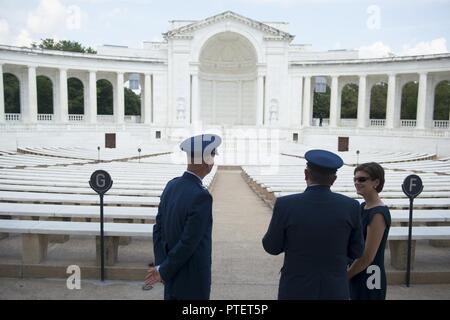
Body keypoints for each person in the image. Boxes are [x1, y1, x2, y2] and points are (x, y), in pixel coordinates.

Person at [262, 149, 364, 300]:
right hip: (334, 289)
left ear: (306, 174)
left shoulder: (286, 205)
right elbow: (357, 251)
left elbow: (271, 246)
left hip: (295, 288)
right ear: (334, 179)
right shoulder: (351, 206)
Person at [144, 134, 222, 300]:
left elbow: (157, 229)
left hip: (170, 273)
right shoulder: (202, 196)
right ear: (206, 161)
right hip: (191, 277)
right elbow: (189, 242)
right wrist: (164, 270)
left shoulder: (171, 185)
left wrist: (161, 266)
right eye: (212, 156)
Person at [348, 162, 391, 300]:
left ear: (376, 182)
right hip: (357, 271)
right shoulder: (362, 207)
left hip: (370, 277)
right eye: (355, 179)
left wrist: (346, 276)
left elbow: (367, 257)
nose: (356, 182)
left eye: (362, 179)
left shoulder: (378, 214)